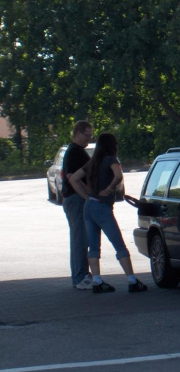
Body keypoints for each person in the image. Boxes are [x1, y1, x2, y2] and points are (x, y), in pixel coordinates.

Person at [69, 133, 147, 293]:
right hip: (102, 208)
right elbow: (118, 176)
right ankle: (132, 280)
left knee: (93, 246)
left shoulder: (92, 162)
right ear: (112, 145)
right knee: (119, 244)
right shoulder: (112, 160)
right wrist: (110, 188)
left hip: (89, 206)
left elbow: (74, 178)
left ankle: (97, 281)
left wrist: (87, 195)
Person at [62, 120, 94, 290]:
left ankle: (81, 274)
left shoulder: (76, 151)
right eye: (87, 135)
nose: (89, 139)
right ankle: (80, 277)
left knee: (81, 238)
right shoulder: (75, 152)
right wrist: (86, 196)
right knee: (80, 238)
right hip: (75, 200)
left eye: (91, 136)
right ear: (78, 133)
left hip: (74, 199)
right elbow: (71, 178)